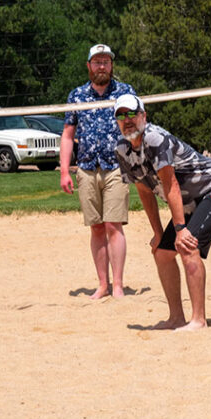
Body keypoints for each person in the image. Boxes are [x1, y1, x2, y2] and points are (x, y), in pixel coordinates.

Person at [113, 94, 211, 331]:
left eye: (131, 113)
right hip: (190, 200)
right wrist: (158, 232)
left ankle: (198, 320)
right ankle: (176, 318)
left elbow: (171, 185)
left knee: (187, 245)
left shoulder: (154, 138)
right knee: (161, 252)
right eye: (121, 115)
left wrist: (180, 230)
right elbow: (144, 190)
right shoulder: (122, 149)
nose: (127, 120)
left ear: (143, 116)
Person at [60, 44, 137, 299]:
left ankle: (118, 285)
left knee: (113, 225)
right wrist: (64, 171)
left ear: (112, 65)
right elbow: (68, 135)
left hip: (117, 167)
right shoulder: (77, 96)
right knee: (96, 227)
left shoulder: (125, 92)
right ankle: (102, 284)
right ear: (89, 66)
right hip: (87, 169)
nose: (101, 66)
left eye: (105, 61)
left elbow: (137, 127)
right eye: (97, 62)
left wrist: (138, 160)